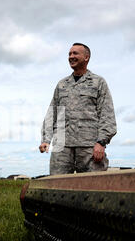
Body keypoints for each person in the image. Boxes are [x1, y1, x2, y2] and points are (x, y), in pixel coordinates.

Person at [39, 43, 117, 175]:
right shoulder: (62, 85)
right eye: (69, 54)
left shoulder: (98, 82)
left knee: (93, 186)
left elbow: (106, 113)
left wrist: (101, 142)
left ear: (86, 57)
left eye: (75, 53)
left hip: (88, 146)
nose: (71, 56)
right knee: (58, 186)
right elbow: (52, 113)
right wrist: (46, 140)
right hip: (62, 146)